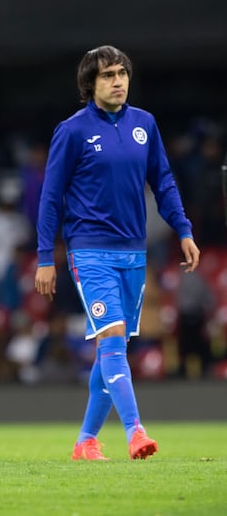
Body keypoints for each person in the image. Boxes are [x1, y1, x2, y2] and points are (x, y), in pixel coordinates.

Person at [34, 45, 200, 461]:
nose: (119, 80)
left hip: (133, 252)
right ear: (90, 83)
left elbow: (163, 183)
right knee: (110, 341)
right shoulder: (72, 131)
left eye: (122, 72)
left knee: (113, 351)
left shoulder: (145, 124)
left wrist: (183, 230)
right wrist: (43, 258)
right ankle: (135, 432)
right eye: (108, 74)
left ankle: (85, 441)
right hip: (89, 251)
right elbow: (50, 198)